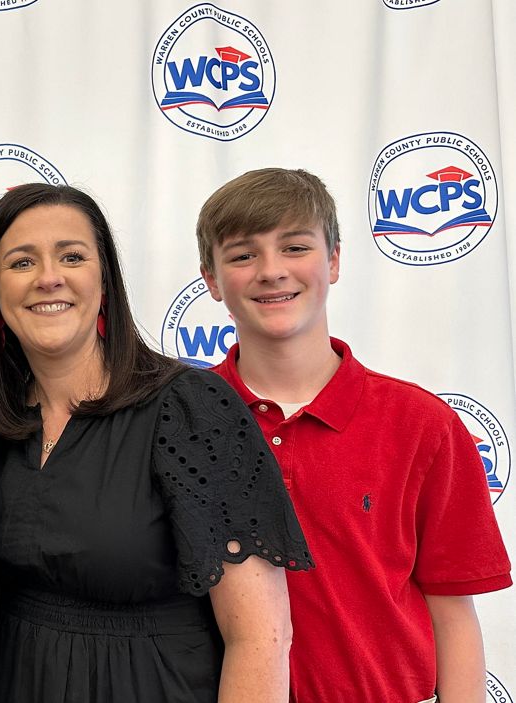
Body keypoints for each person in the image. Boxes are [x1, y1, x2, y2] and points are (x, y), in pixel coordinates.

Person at [0, 183, 312, 702]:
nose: (49, 277)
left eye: (72, 256)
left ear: (104, 280)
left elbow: (261, 638)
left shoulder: (191, 409)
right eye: (21, 262)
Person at [196, 168, 511, 703]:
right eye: (244, 255)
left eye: (295, 247)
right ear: (211, 279)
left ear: (335, 260)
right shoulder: (181, 419)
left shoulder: (422, 425)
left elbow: (453, 609)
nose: (272, 271)